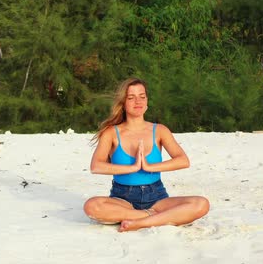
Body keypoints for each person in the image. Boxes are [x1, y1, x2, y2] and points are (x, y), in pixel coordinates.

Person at [83, 78, 209, 232]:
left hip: (157, 196)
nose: (138, 101)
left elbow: (183, 161)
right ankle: (151, 217)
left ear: (147, 101)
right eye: (131, 97)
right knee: (91, 206)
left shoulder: (160, 130)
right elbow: (96, 166)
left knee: (201, 204)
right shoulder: (111, 133)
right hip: (122, 199)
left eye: (142, 96)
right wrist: (133, 167)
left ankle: (139, 221)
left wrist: (149, 166)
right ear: (123, 102)